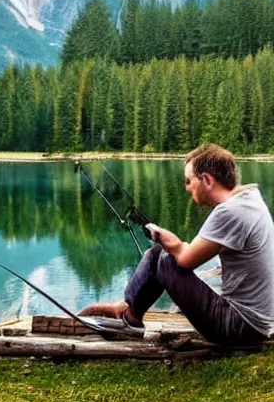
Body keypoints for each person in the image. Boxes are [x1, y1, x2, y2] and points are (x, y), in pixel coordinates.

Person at [79, 144, 274, 346]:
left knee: (161, 255)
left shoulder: (230, 212)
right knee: (161, 253)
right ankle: (127, 310)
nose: (187, 187)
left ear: (206, 179)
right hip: (256, 323)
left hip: (240, 327)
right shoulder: (249, 200)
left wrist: (168, 241)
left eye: (189, 181)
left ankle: (129, 318)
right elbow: (191, 253)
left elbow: (185, 260)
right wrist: (176, 245)